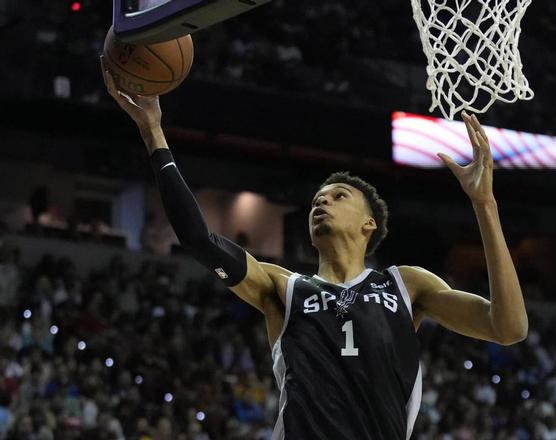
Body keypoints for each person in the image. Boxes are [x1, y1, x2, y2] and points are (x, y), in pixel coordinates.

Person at [101, 58, 528, 440]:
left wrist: (485, 205)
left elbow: (508, 328)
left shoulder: (405, 285)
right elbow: (198, 238)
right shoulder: (283, 288)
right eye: (316, 200)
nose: (322, 202)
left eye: (339, 196)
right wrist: (153, 132)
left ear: (369, 224)